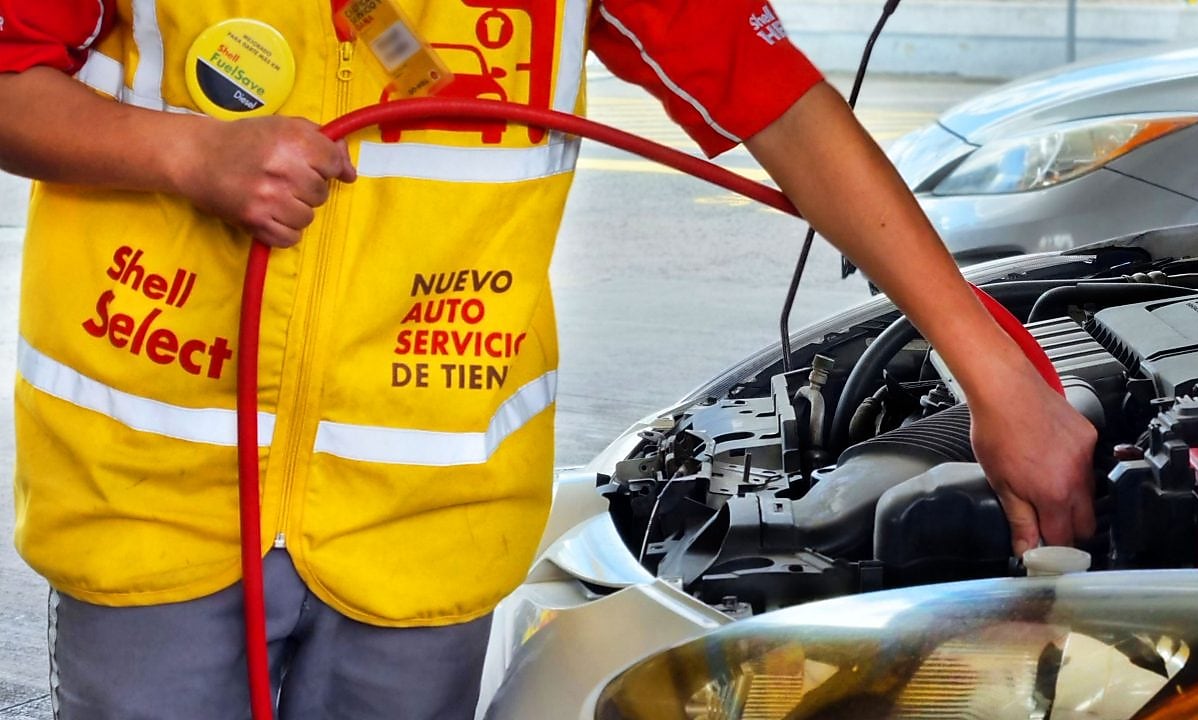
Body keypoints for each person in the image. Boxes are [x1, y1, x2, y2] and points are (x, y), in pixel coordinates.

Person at [0, 1, 1096, 718]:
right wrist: (186, 151)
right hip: (157, 500)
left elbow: (789, 115)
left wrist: (995, 376)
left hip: (422, 528)